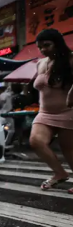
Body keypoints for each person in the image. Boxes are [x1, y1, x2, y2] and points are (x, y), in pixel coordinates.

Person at [29, 28, 73, 193]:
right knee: (36, 141)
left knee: (68, 148)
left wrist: (71, 93)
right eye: (40, 47)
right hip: (45, 113)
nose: (43, 50)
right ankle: (59, 173)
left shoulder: (70, 59)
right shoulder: (40, 63)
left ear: (57, 43)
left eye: (47, 45)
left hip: (68, 111)